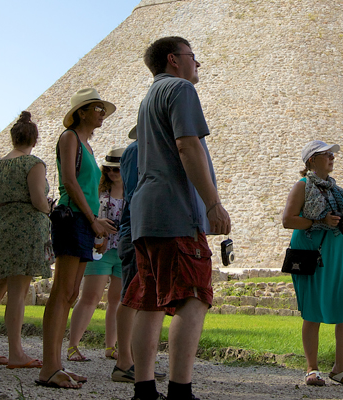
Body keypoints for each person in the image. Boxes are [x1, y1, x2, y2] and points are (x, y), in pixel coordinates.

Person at [122, 36, 231, 400]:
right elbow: (188, 145)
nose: (197, 64)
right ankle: (180, 391)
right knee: (193, 296)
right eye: (192, 57)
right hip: (175, 210)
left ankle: (144, 388)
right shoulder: (180, 89)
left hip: (146, 212)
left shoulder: (148, 98)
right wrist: (212, 204)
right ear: (173, 59)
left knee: (150, 300)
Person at [36, 88, 117, 389]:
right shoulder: (69, 138)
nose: (101, 113)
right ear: (81, 112)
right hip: (72, 219)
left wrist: (97, 224)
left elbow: (91, 188)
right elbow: (70, 181)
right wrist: (93, 220)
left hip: (85, 223)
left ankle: (56, 365)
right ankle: (49, 368)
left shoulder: (89, 147)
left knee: (71, 295)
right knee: (62, 292)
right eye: (97, 108)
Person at [282, 140, 343, 387]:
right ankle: (311, 368)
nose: (331, 157)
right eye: (325, 154)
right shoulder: (303, 186)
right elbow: (288, 220)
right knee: (313, 311)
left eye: (331, 154)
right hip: (311, 252)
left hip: (336, 252)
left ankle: (340, 368)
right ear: (311, 161)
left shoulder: (334, 189)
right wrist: (318, 222)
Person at [0, 111, 52, 369]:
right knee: (18, 294)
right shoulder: (34, 164)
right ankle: (16, 353)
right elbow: (38, 200)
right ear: (35, 139)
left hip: (0, 227)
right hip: (25, 231)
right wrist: (50, 209)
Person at [111, 128, 166, 383]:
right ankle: (124, 362)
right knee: (131, 296)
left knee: (142, 297)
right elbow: (136, 193)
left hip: (140, 229)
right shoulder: (136, 151)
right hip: (135, 230)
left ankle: (137, 363)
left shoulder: (143, 150)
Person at [67, 147, 125, 362]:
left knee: (117, 301)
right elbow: (88, 214)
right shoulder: (98, 190)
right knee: (90, 297)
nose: (111, 174)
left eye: (116, 170)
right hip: (100, 249)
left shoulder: (134, 191)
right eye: (108, 169)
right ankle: (73, 345)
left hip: (124, 251)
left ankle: (111, 347)